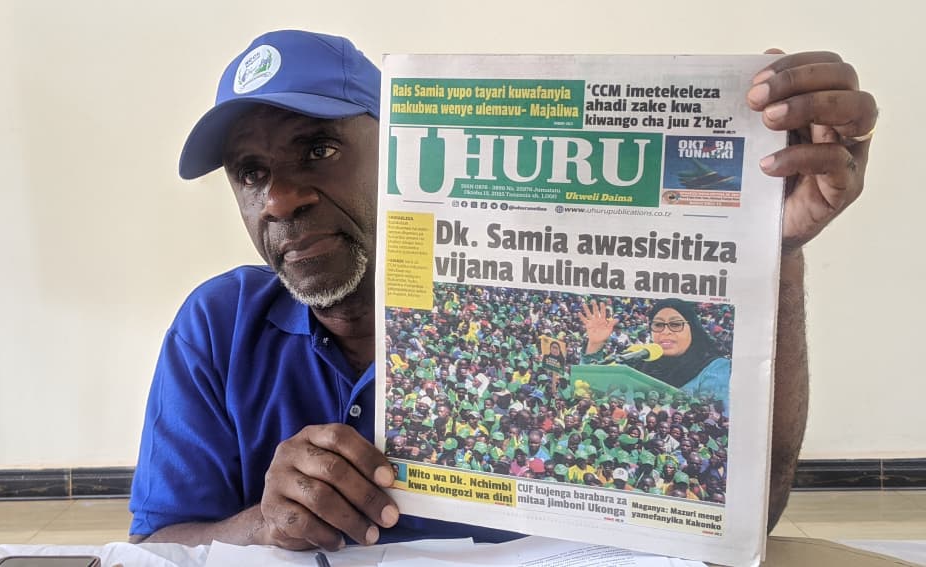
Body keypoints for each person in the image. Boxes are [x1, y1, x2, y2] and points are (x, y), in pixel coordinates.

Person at [128, 29, 877, 550]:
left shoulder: (546, 309)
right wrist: (262, 526)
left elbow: (743, 516)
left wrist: (774, 251)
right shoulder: (218, 325)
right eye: (251, 173)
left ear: (399, 150)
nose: (280, 199)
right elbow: (157, 546)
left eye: (318, 150)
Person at [579, 298, 731, 402]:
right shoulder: (641, 360)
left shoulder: (715, 367)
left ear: (693, 329)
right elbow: (588, 389)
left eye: (675, 324)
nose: (665, 332)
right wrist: (595, 344)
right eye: (658, 325)